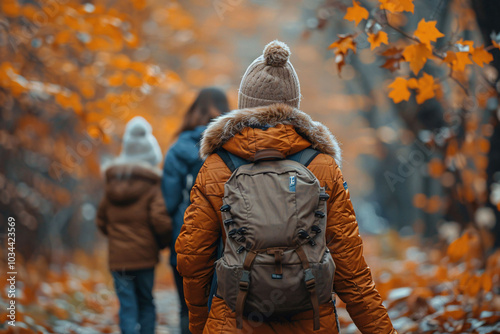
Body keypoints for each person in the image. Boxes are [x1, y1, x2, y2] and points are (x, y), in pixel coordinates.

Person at [175, 41, 396, 334]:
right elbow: (351, 270)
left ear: (244, 104)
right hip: (312, 320)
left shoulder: (217, 167)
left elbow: (192, 258)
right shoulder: (322, 166)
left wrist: (200, 322)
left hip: (235, 320)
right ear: (294, 105)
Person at [161, 87, 230, 334]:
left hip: (185, 239)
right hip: (228, 242)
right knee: (223, 310)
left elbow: (167, 203)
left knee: (188, 310)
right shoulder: (234, 146)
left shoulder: (178, 149)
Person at [97, 116, 172, 334]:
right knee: (146, 302)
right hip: (145, 258)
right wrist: (161, 243)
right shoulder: (152, 185)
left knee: (127, 306)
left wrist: (115, 237)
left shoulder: (112, 183)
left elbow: (102, 220)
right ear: (151, 155)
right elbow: (160, 221)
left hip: (118, 259)